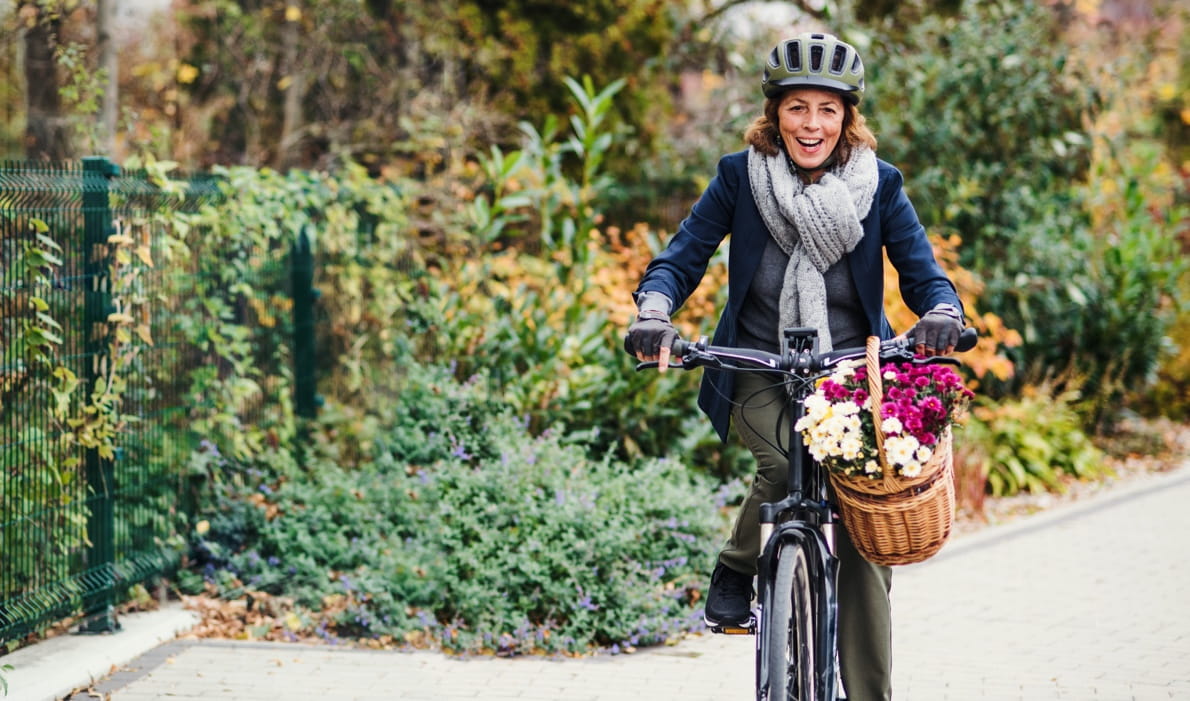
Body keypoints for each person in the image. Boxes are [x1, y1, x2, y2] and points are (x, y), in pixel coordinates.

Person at [623, 32, 964, 700]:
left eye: (828, 110)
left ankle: (869, 692)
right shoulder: (738, 179)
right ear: (774, 114)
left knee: (863, 537)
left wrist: (942, 312)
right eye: (798, 108)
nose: (812, 124)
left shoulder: (880, 185)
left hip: (851, 374)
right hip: (758, 363)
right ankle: (738, 563)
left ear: (848, 118)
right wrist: (654, 312)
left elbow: (925, 275)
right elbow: (680, 257)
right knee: (783, 463)